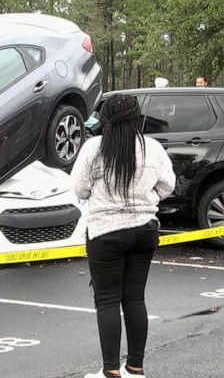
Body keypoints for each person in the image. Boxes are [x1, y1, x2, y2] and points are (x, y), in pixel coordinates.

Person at [71, 94, 175, 378]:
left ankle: (110, 372)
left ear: (105, 120)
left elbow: (78, 188)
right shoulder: (151, 147)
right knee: (135, 299)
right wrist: (147, 197)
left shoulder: (94, 147)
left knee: (107, 301)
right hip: (144, 230)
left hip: (105, 232)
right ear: (137, 117)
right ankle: (136, 368)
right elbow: (168, 185)